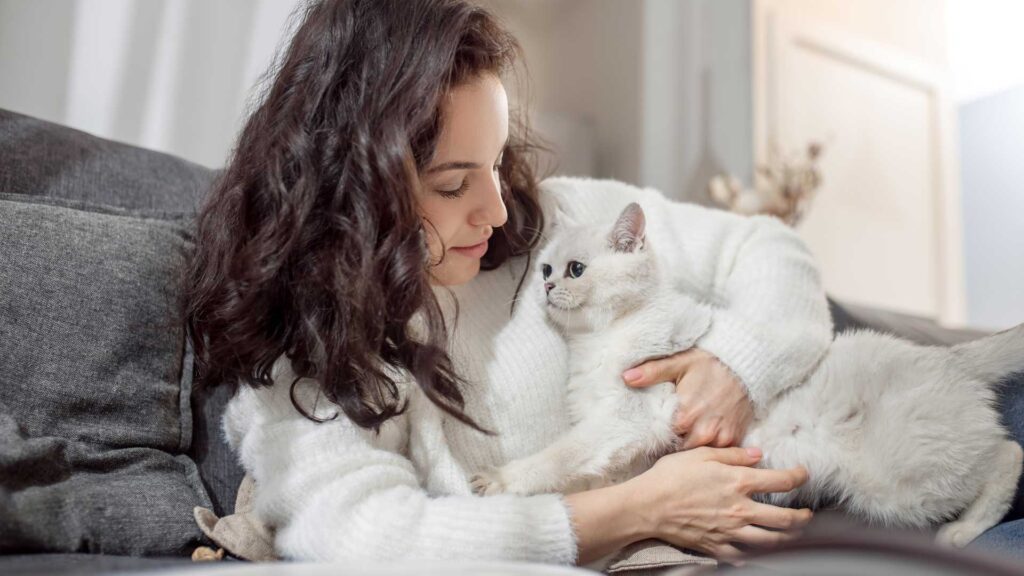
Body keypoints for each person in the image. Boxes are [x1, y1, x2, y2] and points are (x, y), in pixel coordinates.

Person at [181, 0, 1018, 567]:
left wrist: (740, 361)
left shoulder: (559, 221)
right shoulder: (310, 360)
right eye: (450, 184)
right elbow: (372, 537)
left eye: (496, 163)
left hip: (844, 418)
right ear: (349, 188)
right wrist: (640, 510)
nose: (497, 208)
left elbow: (767, 248)